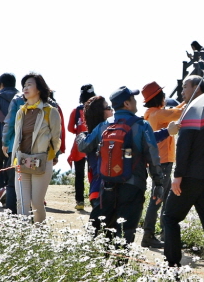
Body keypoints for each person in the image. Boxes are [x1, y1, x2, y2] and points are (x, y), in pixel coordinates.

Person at [81, 87, 166, 244]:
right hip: (133, 185)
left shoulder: (104, 125)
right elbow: (153, 157)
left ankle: (104, 263)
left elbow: (84, 146)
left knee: (106, 229)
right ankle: (120, 264)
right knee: (126, 231)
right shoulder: (142, 125)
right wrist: (159, 184)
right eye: (133, 99)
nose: (136, 102)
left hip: (107, 186)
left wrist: (81, 135)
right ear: (127, 103)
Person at [161, 76, 204, 267]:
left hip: (189, 178)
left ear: (197, 89)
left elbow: (184, 147)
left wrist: (177, 176)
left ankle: (172, 263)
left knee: (170, 217)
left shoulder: (192, 111)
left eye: (185, 87)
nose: (182, 91)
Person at [10, 73, 62, 223]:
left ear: (39, 88)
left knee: (36, 203)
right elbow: (17, 137)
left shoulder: (50, 111)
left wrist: (49, 156)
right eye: (24, 86)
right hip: (21, 160)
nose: (25, 88)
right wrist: (14, 157)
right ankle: (24, 236)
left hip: (42, 161)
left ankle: (39, 235)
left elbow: (55, 138)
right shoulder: (21, 112)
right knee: (22, 202)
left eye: (29, 84)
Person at [141, 81, 185, 249]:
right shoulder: (159, 114)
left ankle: (158, 233)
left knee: (160, 196)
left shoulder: (152, 114)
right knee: (158, 197)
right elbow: (179, 113)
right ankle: (149, 234)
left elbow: (174, 111)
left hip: (157, 160)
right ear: (158, 97)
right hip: (164, 160)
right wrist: (192, 100)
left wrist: (184, 102)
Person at [82, 96, 114, 230]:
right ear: (100, 113)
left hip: (97, 189)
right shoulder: (93, 137)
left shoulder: (87, 136)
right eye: (108, 107)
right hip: (101, 189)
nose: (112, 110)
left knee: (102, 232)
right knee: (96, 232)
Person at [67, 84, 97, 211]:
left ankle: (80, 201)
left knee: (79, 174)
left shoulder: (76, 110)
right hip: (95, 144)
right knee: (94, 173)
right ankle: (94, 200)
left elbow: (69, 128)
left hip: (79, 145)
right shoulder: (98, 109)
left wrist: (79, 131)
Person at [0, 73, 18, 205]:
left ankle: (1, 188)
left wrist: (5, 121)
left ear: (1, 83)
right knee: (10, 163)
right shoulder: (19, 96)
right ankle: (10, 188)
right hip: (16, 135)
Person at [1, 85, 27, 214]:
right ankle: (28, 217)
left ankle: (12, 215)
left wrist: (5, 142)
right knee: (32, 184)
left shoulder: (17, 100)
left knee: (12, 183)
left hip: (15, 147)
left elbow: (9, 123)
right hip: (38, 151)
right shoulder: (50, 102)